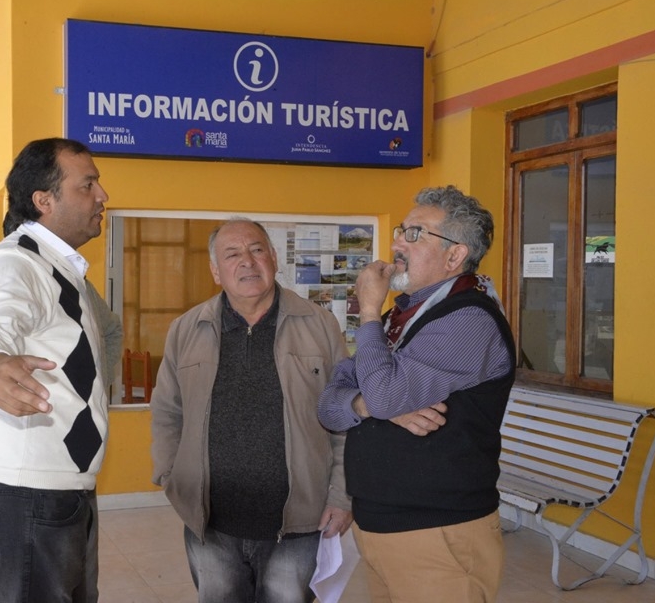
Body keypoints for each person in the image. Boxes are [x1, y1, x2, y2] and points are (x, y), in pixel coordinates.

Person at [150, 217, 447, 603]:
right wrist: (171, 475)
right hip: (211, 523)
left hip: (300, 522)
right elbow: (167, 411)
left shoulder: (319, 324)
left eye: (257, 250)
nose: (247, 261)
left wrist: (342, 496)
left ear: (274, 259)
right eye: (232, 254)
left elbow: (347, 417)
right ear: (215, 270)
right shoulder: (186, 329)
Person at [317, 185, 516, 603]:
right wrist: (366, 403)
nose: (396, 245)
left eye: (414, 234)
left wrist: (367, 311)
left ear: (454, 255)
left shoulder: (468, 318)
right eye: (400, 231)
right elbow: (330, 405)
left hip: (437, 531)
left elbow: (385, 395)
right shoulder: (400, 316)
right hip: (380, 524)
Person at [0, 137, 110, 603]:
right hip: (23, 499)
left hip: (57, 494)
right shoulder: (14, 262)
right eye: (87, 185)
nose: (102, 196)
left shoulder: (60, 269)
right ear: (44, 201)